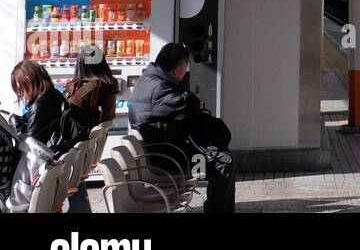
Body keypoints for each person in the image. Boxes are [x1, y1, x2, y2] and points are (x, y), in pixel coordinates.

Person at [130, 42, 235, 212]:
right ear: (177, 68)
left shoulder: (149, 79)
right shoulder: (159, 88)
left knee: (219, 155)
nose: (186, 70)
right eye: (186, 66)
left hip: (161, 150)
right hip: (169, 158)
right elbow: (187, 103)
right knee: (224, 162)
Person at [4, 60, 66, 212]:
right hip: (54, 160)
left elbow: (31, 144)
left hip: (37, 167)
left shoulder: (41, 104)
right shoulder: (54, 95)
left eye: (19, 87)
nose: (20, 92)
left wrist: (14, 124)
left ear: (27, 79)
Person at [66, 48, 118, 126]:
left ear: (80, 63)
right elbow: (108, 118)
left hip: (74, 133)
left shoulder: (73, 85)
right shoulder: (106, 85)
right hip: (88, 134)